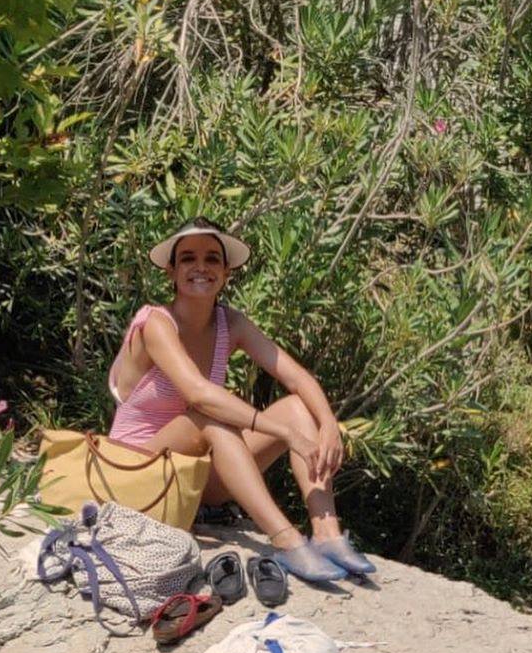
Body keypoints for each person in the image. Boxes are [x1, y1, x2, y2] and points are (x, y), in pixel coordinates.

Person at [107, 216, 375, 583]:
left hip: (193, 482)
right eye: (188, 258)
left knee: (298, 408)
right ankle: (285, 539)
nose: (200, 267)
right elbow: (199, 394)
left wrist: (328, 423)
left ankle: (327, 533)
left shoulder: (230, 324)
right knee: (210, 417)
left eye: (212, 259)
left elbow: (296, 377)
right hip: (137, 473)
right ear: (171, 270)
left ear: (226, 272)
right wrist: (284, 433)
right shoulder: (156, 323)